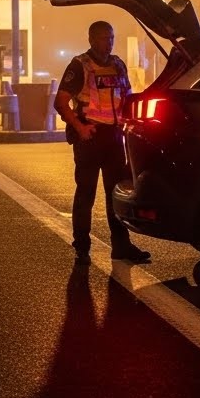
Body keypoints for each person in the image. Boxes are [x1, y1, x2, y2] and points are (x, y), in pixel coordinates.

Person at [54, 21, 151, 265]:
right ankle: (82, 245)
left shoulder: (118, 64)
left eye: (111, 37)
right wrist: (80, 128)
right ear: (91, 40)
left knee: (116, 194)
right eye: (104, 38)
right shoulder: (80, 65)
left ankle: (121, 246)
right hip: (90, 137)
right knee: (86, 193)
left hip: (114, 138)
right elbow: (61, 101)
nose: (109, 42)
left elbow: (126, 98)